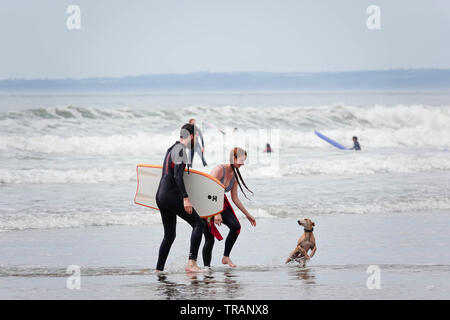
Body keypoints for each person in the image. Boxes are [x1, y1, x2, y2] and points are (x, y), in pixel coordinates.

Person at [155, 123, 204, 273]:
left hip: (161, 195)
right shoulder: (182, 149)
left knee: (169, 235)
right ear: (191, 136)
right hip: (171, 194)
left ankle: (159, 269)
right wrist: (186, 198)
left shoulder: (171, 149)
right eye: (196, 136)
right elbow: (177, 175)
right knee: (199, 224)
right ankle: (191, 264)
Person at [202, 147, 256, 268]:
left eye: (244, 160)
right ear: (233, 158)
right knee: (209, 238)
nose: (243, 163)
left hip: (220, 202)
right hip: (206, 202)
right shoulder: (220, 169)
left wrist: (248, 215)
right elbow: (209, 189)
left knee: (236, 227)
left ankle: (226, 257)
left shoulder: (234, 176)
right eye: (241, 160)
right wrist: (216, 213)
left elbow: (235, 198)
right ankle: (207, 268)